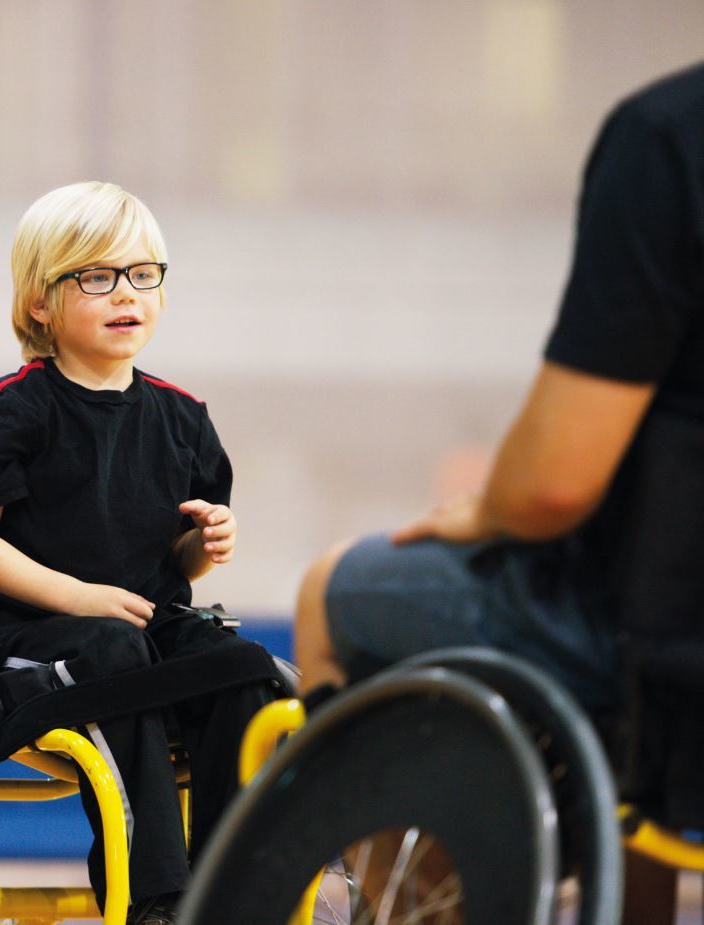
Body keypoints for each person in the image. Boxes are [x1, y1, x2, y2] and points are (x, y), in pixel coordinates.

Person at [291, 62, 704, 922]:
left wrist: (489, 506)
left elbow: (552, 484)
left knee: (332, 590)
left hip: (666, 666)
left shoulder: (668, 135)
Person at [0, 181, 278, 925]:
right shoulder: (13, 406)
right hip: (30, 635)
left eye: (141, 273)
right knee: (115, 647)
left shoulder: (182, 416)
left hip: (140, 625)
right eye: (94, 277)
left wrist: (204, 543)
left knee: (245, 668)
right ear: (40, 302)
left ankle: (229, 880)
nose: (124, 293)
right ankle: (158, 894)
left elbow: (180, 566)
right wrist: (77, 595)